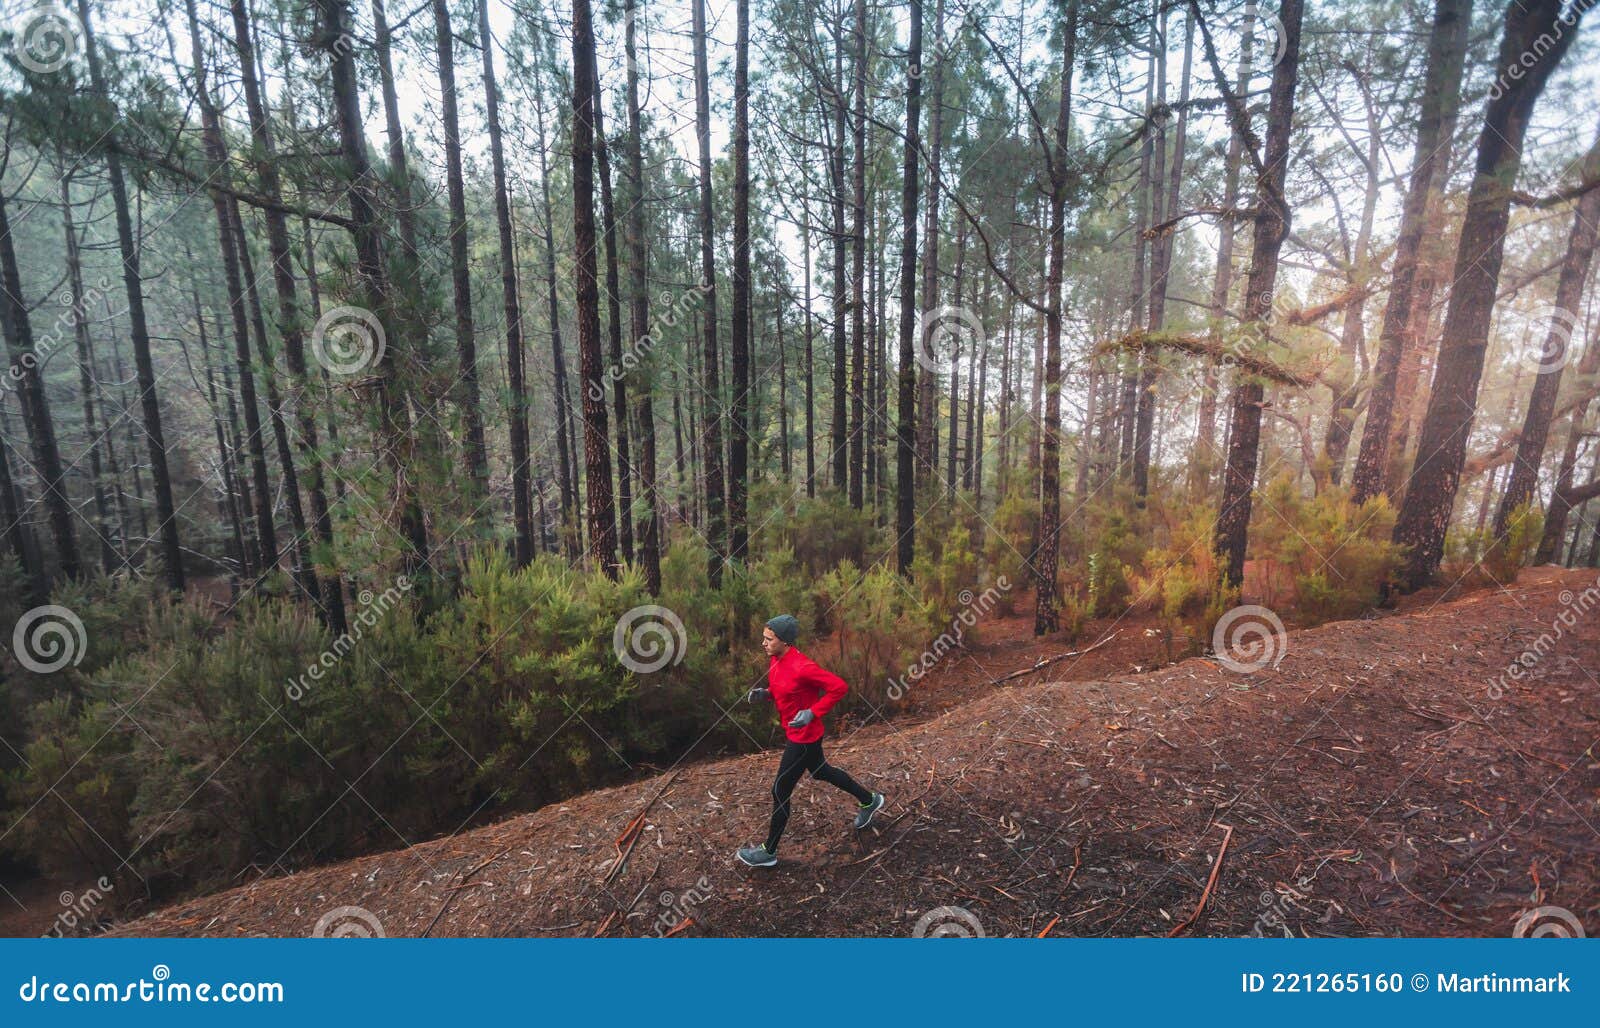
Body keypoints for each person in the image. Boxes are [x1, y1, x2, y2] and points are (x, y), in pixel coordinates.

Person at [735, 614, 885, 868]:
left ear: (785, 641)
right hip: (800, 734)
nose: (763, 643)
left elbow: (839, 687)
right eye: (764, 638)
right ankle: (870, 801)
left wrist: (813, 712)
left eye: (768, 639)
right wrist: (766, 694)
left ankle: (768, 851)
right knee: (820, 771)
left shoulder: (802, 666)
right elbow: (786, 691)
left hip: (803, 737)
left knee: (780, 789)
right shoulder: (776, 659)